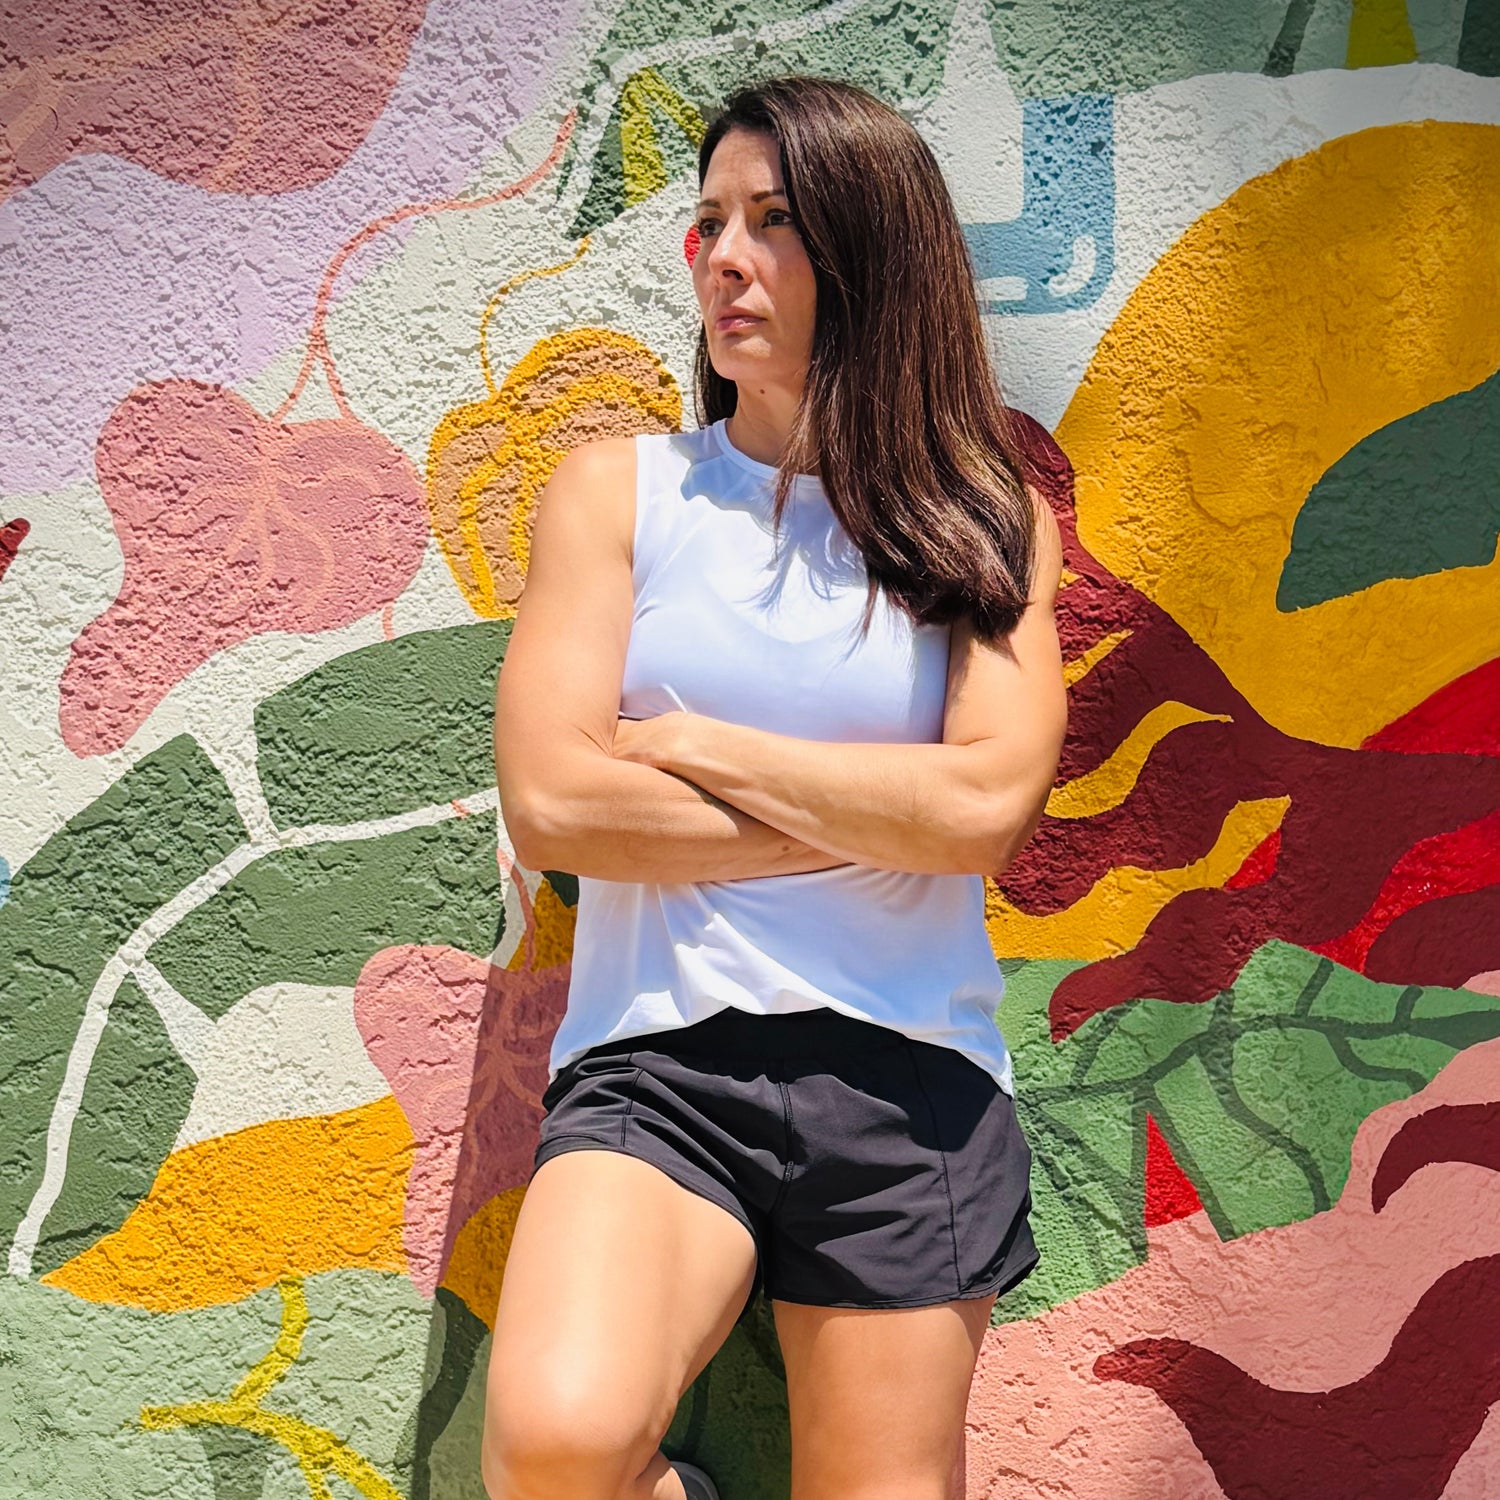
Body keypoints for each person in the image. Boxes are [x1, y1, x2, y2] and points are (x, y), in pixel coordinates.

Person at [483, 73, 1067, 1500]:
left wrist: (695, 746)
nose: (724, 259)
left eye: (776, 221)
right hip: (659, 1065)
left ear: (869, 250)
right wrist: (882, 815)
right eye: (710, 225)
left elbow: (986, 813)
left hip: (908, 1079)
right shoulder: (620, 496)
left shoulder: (986, 517)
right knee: (558, 1447)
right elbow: (556, 807)